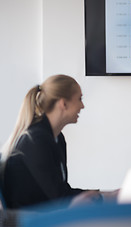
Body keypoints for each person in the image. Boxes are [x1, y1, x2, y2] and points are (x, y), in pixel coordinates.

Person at [0, 75, 115, 210]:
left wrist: (106, 194)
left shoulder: (57, 138)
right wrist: (102, 197)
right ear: (63, 104)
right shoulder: (35, 141)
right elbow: (59, 199)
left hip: (45, 214)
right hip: (30, 222)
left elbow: (62, 191)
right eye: (79, 99)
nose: (82, 106)